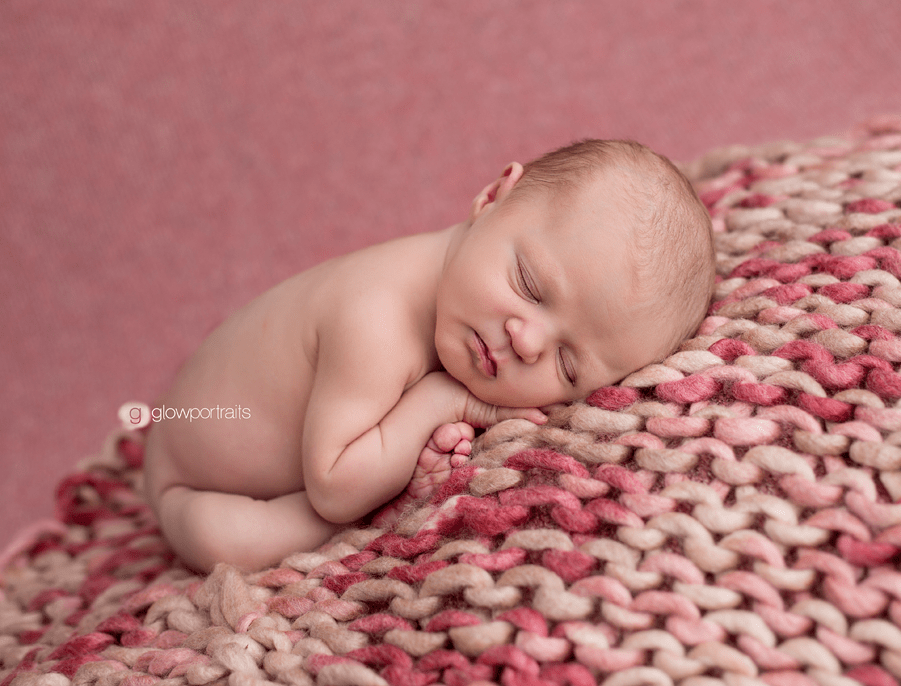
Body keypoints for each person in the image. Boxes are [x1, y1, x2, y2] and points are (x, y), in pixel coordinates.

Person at [142, 139, 716, 572]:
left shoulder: (459, 290)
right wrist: (440, 400)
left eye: (568, 366)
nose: (527, 341)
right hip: (195, 469)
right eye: (529, 286)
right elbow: (334, 486)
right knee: (235, 538)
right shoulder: (377, 319)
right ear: (492, 198)